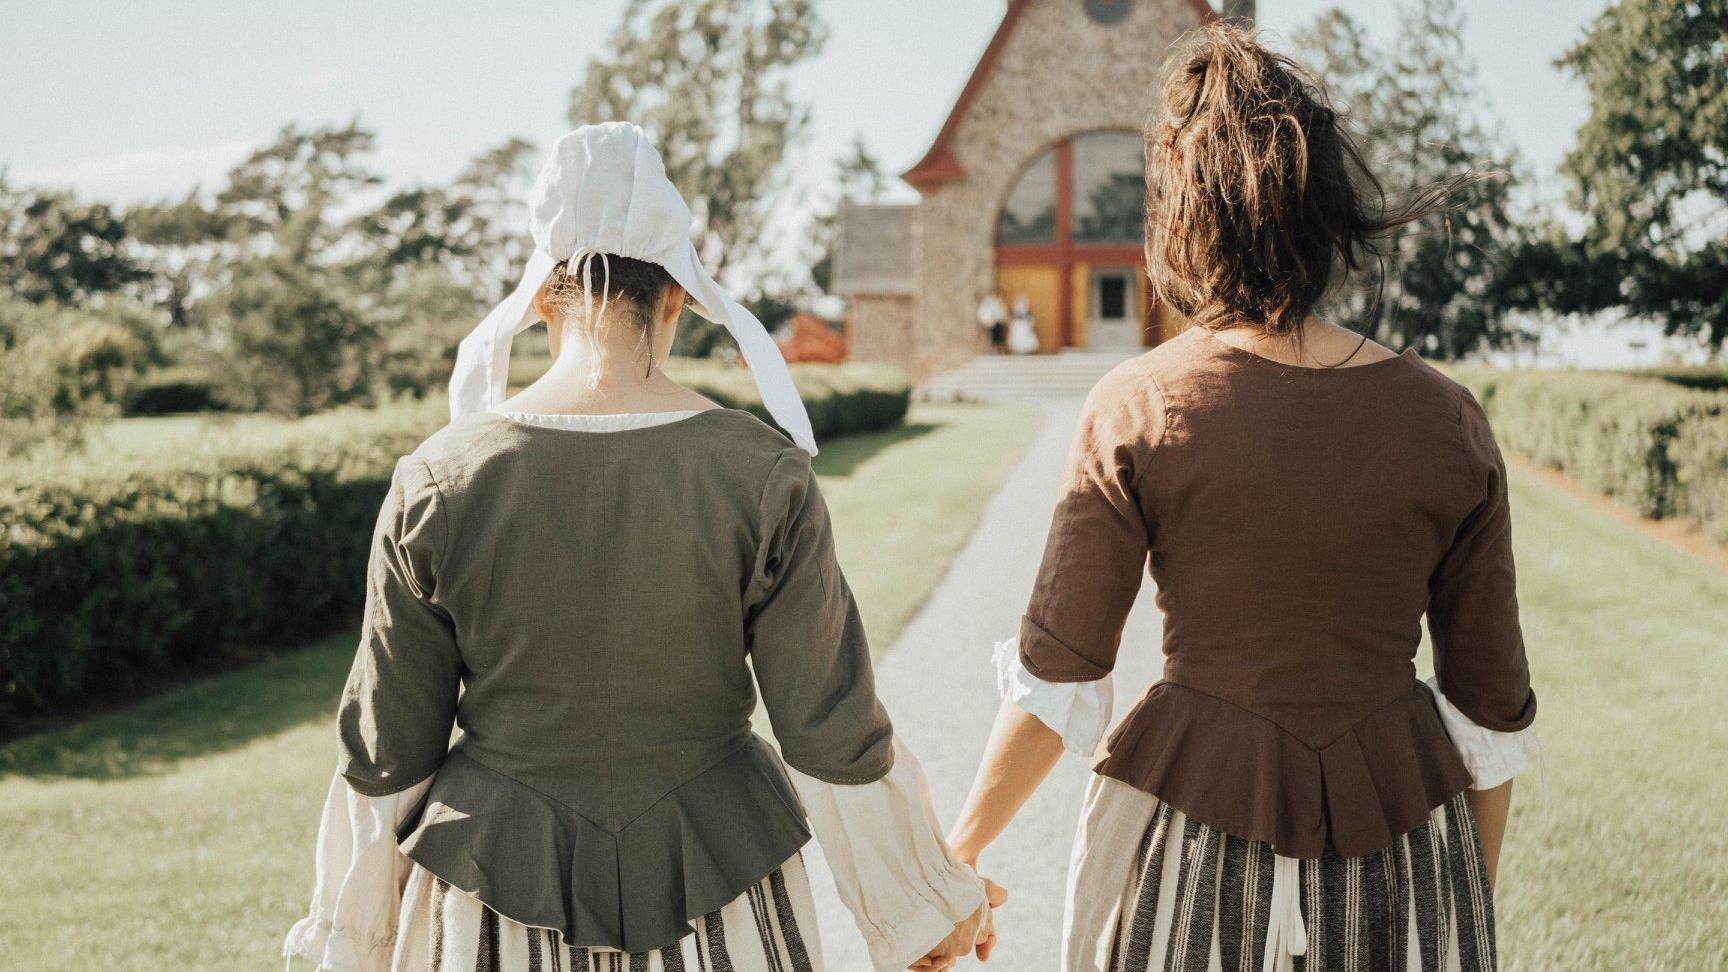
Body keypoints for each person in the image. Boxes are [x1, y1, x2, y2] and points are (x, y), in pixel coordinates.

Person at [283, 123, 1003, 972]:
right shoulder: (762, 473)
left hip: (488, 910)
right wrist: (921, 910)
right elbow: (828, 731)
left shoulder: (437, 479)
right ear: (676, 297)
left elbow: (386, 750)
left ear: (543, 296)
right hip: (723, 904)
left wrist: (354, 941)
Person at [945, 25, 1540, 972]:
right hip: (1408, 847)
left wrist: (960, 857)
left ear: (1185, 216)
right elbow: (1490, 713)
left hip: (1186, 845)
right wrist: (1459, 899)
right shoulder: (1448, 421)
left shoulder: (1135, 405)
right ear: (1323, 215)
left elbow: (1059, 678)